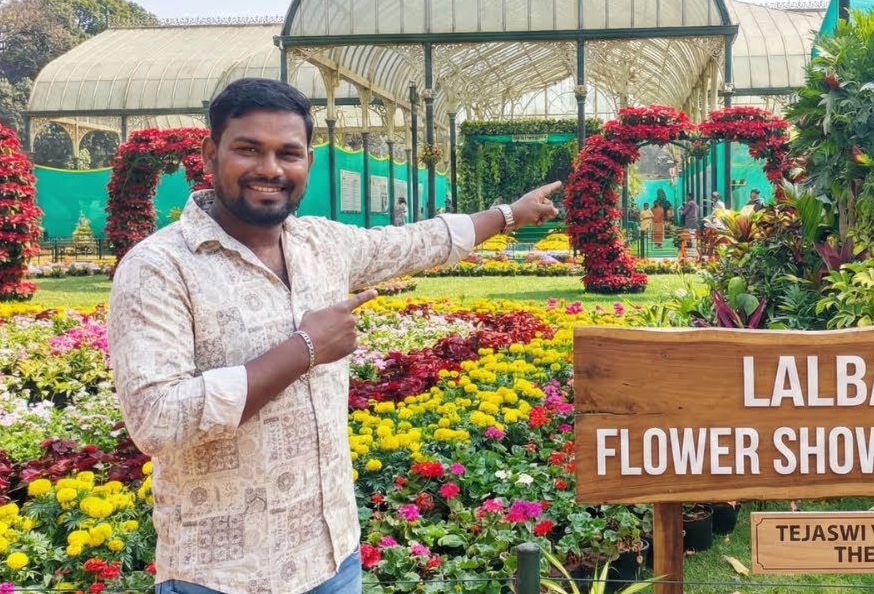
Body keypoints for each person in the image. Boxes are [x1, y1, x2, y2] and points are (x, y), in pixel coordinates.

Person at [107, 78, 560, 594]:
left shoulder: (320, 243)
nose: (270, 169)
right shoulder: (159, 267)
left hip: (332, 553)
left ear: (307, 163)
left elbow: (414, 242)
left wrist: (507, 215)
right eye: (248, 149)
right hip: (223, 574)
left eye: (288, 153)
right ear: (211, 153)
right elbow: (156, 420)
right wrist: (303, 350)